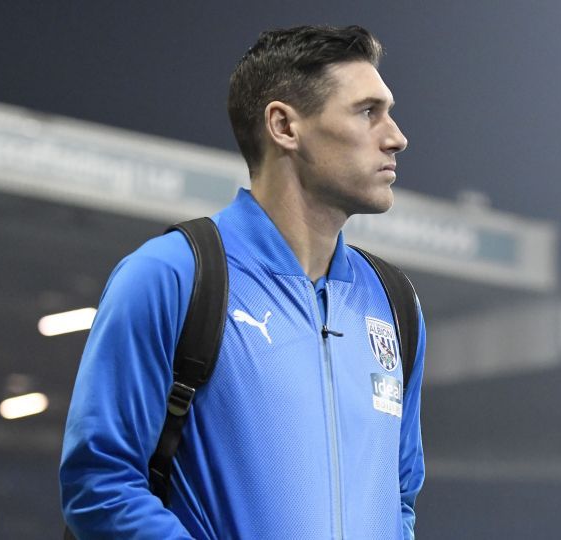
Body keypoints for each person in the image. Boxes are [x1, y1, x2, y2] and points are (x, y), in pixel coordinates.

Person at [60, 25, 425, 539]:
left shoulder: (394, 303)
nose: (396, 136)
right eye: (368, 112)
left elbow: (400, 496)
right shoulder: (171, 276)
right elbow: (99, 484)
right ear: (284, 126)